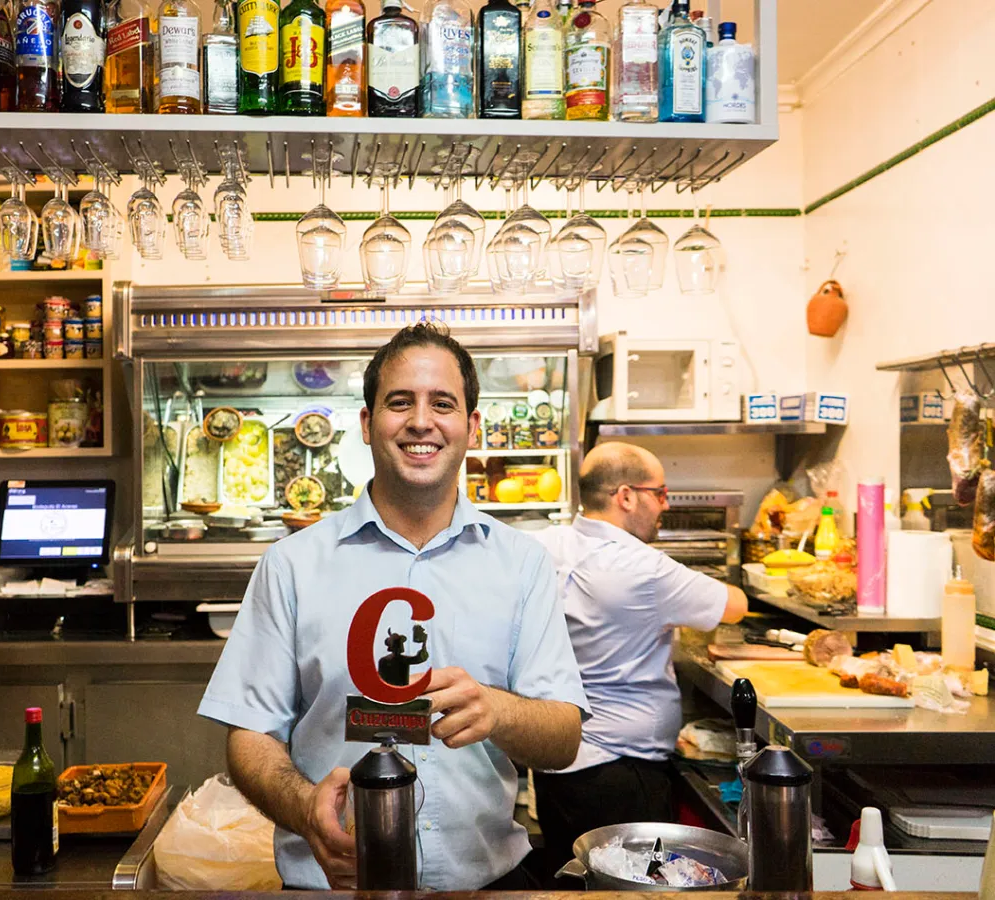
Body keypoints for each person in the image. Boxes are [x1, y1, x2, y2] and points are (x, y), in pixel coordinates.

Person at [198, 322, 589, 891]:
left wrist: (497, 712)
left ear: (471, 426)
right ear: (367, 423)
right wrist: (306, 808)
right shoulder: (291, 564)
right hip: (331, 886)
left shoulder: (520, 564)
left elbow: (564, 735)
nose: (421, 421)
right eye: (399, 402)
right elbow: (250, 735)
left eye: (443, 404)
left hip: (481, 885)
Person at [532, 441, 748, 876]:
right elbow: (735, 605)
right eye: (661, 493)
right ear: (626, 496)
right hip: (622, 776)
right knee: (637, 885)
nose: (665, 505)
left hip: (556, 765)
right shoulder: (646, 569)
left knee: (571, 877)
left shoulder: (545, 544)